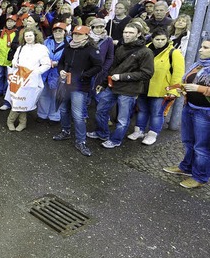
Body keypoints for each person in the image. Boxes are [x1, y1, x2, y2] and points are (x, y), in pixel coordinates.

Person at [87, 23, 154, 148]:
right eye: (125, 32)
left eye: (131, 32)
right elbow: (113, 68)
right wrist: (103, 83)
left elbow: (146, 74)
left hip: (129, 90)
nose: (127, 35)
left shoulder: (146, 52)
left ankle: (115, 140)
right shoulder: (121, 48)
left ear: (139, 34)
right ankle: (102, 133)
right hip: (112, 86)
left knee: (122, 119)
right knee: (101, 110)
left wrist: (123, 77)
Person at [163, 38, 210, 189]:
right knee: (188, 142)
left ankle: (200, 177)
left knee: (201, 147)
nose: (200, 50)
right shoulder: (199, 65)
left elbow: (200, 88)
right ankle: (186, 167)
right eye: (201, 46)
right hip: (190, 107)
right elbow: (189, 81)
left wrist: (199, 89)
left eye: (205, 47)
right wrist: (183, 89)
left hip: (205, 112)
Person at [127, 29, 184, 145]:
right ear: (152, 39)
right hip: (143, 87)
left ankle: (153, 133)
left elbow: (178, 73)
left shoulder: (174, 53)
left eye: (163, 39)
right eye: (157, 39)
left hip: (161, 89)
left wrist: (173, 90)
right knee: (142, 110)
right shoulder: (145, 49)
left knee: (157, 113)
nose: (160, 42)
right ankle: (139, 130)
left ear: (167, 39)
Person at [52, 25, 102, 156]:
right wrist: (61, 70)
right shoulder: (69, 46)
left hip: (80, 86)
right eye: (75, 34)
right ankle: (65, 131)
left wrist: (84, 76)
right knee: (63, 110)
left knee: (78, 115)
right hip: (65, 84)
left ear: (86, 36)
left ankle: (81, 141)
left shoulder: (92, 49)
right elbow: (61, 62)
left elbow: (98, 66)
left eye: (79, 34)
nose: (76, 36)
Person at [7, 27, 51, 131]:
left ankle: (22, 122)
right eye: (26, 36)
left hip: (32, 78)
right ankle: (11, 121)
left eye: (30, 35)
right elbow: (14, 59)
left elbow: (46, 64)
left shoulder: (41, 48)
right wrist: (15, 63)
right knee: (17, 99)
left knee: (25, 100)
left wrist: (35, 72)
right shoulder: (21, 47)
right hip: (19, 77)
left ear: (35, 36)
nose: (28, 38)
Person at [38, 22, 69, 123]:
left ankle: (54, 116)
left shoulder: (69, 43)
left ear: (65, 32)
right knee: (43, 94)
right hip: (45, 72)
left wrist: (58, 63)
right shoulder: (46, 41)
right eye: (55, 31)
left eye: (60, 31)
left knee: (57, 95)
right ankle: (42, 114)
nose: (57, 33)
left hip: (59, 73)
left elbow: (70, 59)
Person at [0, 15, 18, 102]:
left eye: (12, 21)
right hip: (0, 57)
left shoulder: (16, 33)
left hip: (10, 58)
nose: (9, 23)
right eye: (8, 21)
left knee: (8, 76)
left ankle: (6, 92)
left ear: (15, 23)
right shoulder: (1, 32)